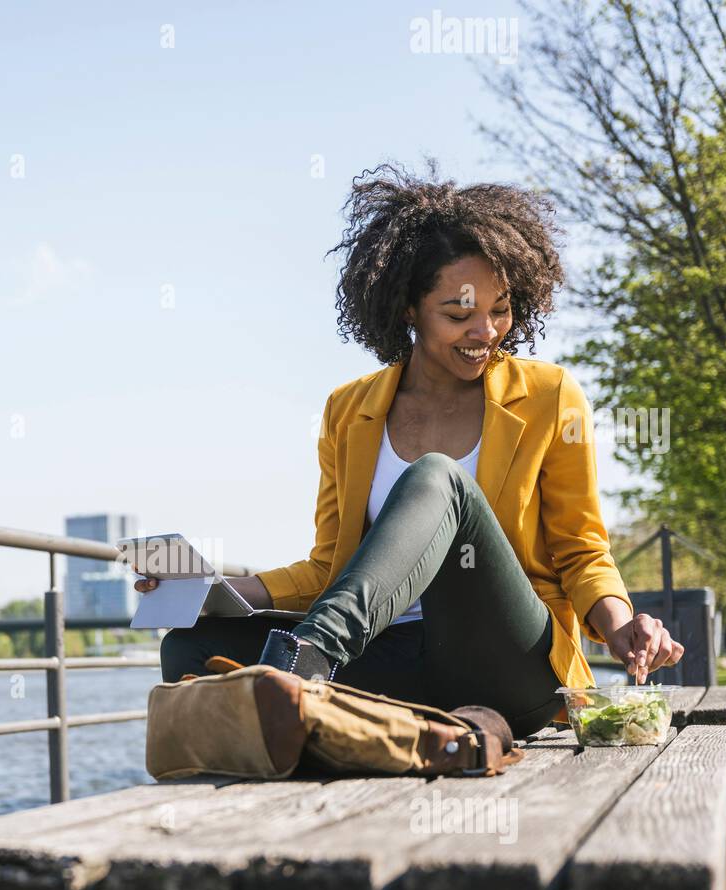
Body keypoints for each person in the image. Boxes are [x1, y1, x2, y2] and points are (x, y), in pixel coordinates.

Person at [140, 164, 683, 737]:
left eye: (500, 308)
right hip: (393, 659)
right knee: (193, 649)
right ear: (408, 309)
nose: (487, 330)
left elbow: (581, 550)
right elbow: (330, 568)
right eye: (458, 314)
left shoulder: (550, 396)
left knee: (437, 479)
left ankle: (307, 663)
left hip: (509, 668)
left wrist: (622, 624)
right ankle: (305, 702)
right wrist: (215, 590)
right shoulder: (348, 411)